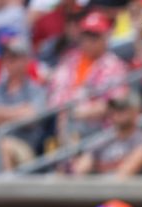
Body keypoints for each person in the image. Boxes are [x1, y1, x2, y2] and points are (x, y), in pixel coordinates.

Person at [48, 11, 128, 142]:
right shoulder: (70, 59)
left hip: (100, 127)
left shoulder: (114, 66)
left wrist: (78, 112)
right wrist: (69, 111)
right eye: (86, 35)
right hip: (68, 121)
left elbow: (114, 102)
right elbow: (55, 94)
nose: (89, 41)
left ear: (105, 38)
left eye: (94, 36)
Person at [0, 34, 46, 171]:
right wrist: (18, 111)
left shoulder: (36, 90)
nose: (8, 61)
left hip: (24, 146)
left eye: (14, 57)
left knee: (3, 146)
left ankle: (5, 191)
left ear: (26, 60)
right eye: (6, 57)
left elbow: (33, 117)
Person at [69, 90, 142, 178]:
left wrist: (101, 169)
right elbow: (80, 170)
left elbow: (124, 173)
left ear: (137, 111)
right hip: (101, 191)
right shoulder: (103, 138)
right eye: (113, 108)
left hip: (132, 192)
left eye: (122, 108)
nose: (116, 112)